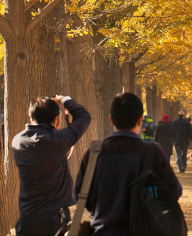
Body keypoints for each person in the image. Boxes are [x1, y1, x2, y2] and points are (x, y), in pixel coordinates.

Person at [73, 93, 182, 234]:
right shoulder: (152, 153)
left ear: (111, 120)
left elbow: (79, 194)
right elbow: (174, 191)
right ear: (140, 120)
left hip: (104, 230)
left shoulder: (94, 153)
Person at [12, 95, 92, 236]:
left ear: (31, 118)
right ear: (57, 119)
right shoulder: (58, 140)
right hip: (54, 219)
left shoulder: (18, 141)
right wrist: (65, 100)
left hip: (27, 217)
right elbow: (84, 116)